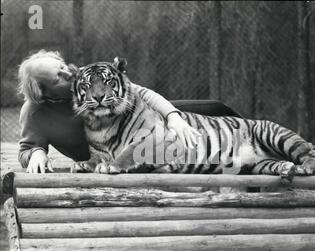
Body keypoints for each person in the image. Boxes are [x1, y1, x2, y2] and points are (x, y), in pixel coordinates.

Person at [17, 50, 204, 173]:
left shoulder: (82, 75)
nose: (67, 74)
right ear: (43, 93)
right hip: (104, 155)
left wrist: (173, 116)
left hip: (146, 117)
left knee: (213, 109)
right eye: (57, 77)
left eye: (62, 67)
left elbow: (143, 93)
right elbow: (25, 151)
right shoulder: (34, 113)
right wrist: (37, 152)